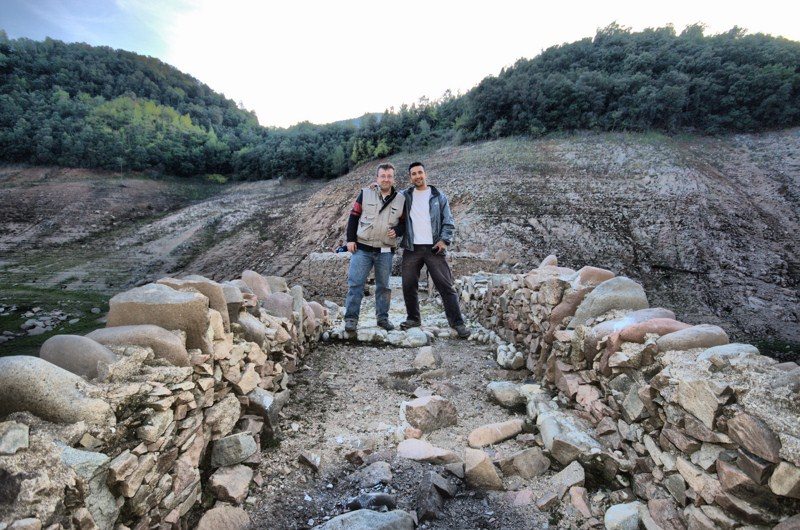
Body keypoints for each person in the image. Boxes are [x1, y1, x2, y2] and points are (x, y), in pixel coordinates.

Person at [399, 161, 470, 338]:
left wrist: (444, 240)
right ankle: (413, 319)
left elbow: (448, 221)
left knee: (446, 286)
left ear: (425, 174)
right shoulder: (405, 196)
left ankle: (458, 323)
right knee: (408, 285)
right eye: (414, 174)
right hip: (412, 247)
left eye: (420, 172)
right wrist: (375, 189)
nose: (417, 176)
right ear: (410, 177)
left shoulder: (439, 196)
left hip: (434, 248)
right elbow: (387, 196)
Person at [343, 163, 406, 332]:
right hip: (362, 249)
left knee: (384, 287)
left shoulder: (401, 199)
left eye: (389, 176)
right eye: (383, 176)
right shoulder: (365, 193)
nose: (386, 179)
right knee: (356, 284)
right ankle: (351, 319)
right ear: (377, 178)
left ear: (393, 178)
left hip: (385, 250)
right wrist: (350, 239)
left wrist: (398, 231)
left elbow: (404, 223)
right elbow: (354, 216)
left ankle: (382, 319)